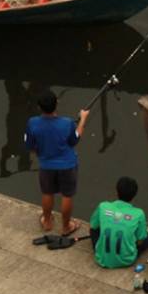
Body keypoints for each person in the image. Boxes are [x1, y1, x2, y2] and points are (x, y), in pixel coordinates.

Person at [24, 90, 88, 235]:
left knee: (47, 192)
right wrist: (83, 119)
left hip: (46, 165)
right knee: (67, 195)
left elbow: (30, 146)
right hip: (68, 165)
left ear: (39, 107)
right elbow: (75, 140)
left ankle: (47, 222)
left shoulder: (32, 123)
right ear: (56, 104)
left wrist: (40, 153)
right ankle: (66, 226)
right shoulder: (67, 123)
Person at [89, 177, 148, 269]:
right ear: (134, 195)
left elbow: (93, 226)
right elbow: (140, 240)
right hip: (126, 260)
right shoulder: (139, 213)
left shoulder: (103, 206)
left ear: (116, 191)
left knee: (95, 227)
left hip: (101, 258)